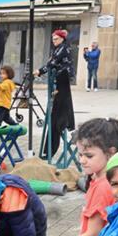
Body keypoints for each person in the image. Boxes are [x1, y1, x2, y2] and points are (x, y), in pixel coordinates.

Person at [35, 29, 75, 159]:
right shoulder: (57, 49)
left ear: (62, 39)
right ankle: (48, 149)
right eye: (53, 39)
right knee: (53, 118)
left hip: (62, 81)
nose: (54, 41)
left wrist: (40, 71)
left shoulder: (63, 49)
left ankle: (50, 150)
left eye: (56, 38)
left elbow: (52, 63)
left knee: (57, 117)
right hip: (58, 81)